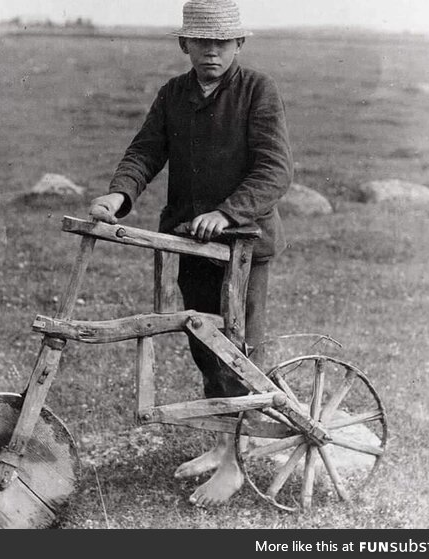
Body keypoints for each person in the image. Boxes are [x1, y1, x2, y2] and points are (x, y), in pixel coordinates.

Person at [88, 0, 293, 506]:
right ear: (185, 44)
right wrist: (120, 193)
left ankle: (235, 462)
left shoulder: (257, 91)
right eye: (202, 42)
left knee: (241, 350)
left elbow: (274, 169)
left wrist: (227, 213)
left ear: (239, 45)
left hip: (244, 246)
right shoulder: (173, 94)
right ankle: (225, 443)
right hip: (190, 242)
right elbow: (145, 151)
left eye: (222, 43)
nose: (212, 52)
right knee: (204, 345)